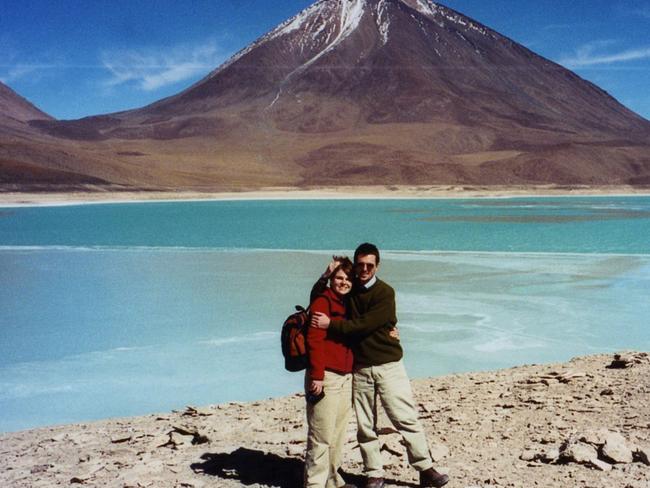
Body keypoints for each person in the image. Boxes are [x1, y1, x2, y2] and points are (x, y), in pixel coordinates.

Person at [311, 243, 449, 488]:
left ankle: (425, 468)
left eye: (370, 265)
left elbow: (364, 324)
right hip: (361, 368)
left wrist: (330, 325)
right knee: (366, 425)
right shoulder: (350, 290)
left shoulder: (385, 293)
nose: (365, 269)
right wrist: (325, 276)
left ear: (377, 266)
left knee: (405, 418)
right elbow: (320, 299)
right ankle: (374, 473)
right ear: (355, 265)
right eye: (360, 265)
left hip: (389, 365)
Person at [304, 257, 356, 488]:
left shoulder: (350, 303)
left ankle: (333, 480)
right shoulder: (322, 301)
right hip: (326, 376)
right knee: (321, 436)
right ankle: (314, 484)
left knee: (338, 434)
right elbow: (314, 341)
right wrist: (317, 376)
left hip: (346, 376)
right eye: (339, 278)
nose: (343, 282)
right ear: (332, 280)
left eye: (348, 279)